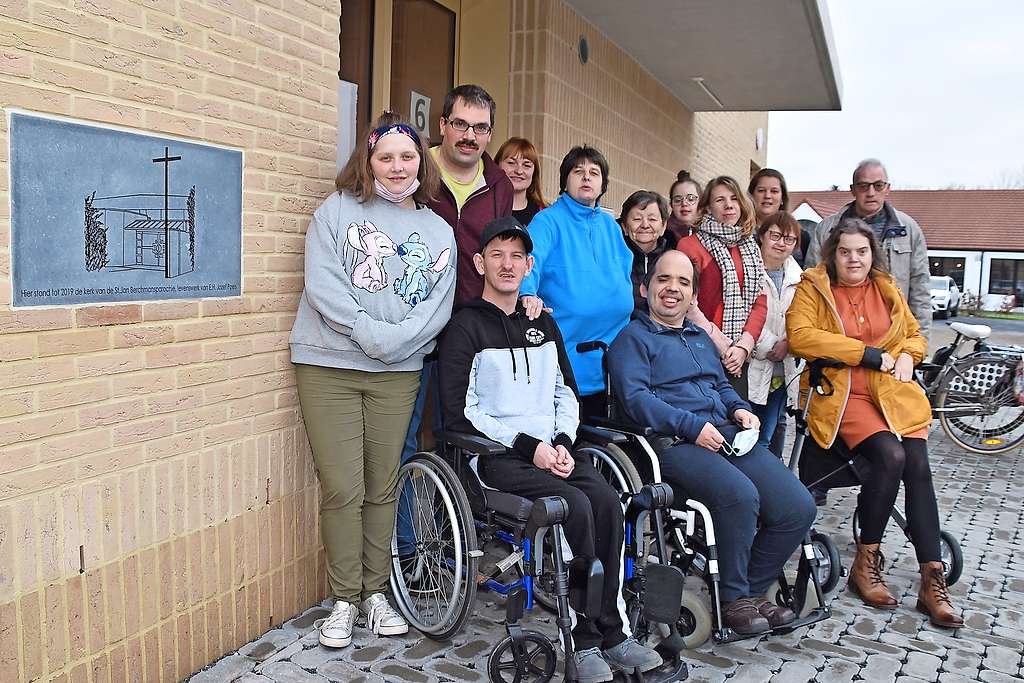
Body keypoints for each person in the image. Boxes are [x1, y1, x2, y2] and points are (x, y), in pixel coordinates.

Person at [439, 216, 664, 681]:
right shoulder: (464, 327)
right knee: (575, 506)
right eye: (497, 255)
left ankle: (611, 631)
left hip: (552, 450)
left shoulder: (542, 322)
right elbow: (460, 411)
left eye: (516, 256)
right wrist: (528, 447)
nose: (507, 264)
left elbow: (565, 392)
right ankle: (580, 642)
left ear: (529, 265)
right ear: (480, 263)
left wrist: (561, 441)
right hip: (496, 458)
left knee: (606, 500)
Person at [289, 113, 457, 648]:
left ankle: (375, 592)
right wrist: (372, 335)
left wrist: (394, 344)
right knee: (343, 487)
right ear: (369, 160)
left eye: (407, 156)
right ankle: (343, 599)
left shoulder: (438, 230)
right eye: (386, 156)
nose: (397, 165)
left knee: (383, 484)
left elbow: (437, 306)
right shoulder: (336, 212)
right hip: (329, 365)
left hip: (398, 373)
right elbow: (323, 285)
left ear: (421, 163)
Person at [608, 250, 816, 635]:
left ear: (692, 296)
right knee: (739, 495)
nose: (672, 289)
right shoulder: (631, 340)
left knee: (797, 506)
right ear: (645, 287)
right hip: (672, 444)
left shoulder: (699, 336)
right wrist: (691, 427)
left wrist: (739, 408)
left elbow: (720, 384)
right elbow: (636, 400)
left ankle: (750, 592)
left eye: (683, 283)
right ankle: (734, 599)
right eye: (663, 280)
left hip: (725, 434)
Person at [787, 218, 962, 628]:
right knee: (890, 455)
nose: (854, 259)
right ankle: (866, 561)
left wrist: (909, 355)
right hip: (845, 394)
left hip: (891, 393)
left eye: (861, 251)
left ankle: (931, 577)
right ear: (833, 254)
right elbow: (801, 337)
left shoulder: (885, 288)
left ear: (872, 254)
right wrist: (865, 353)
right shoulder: (814, 287)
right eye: (845, 251)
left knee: (917, 464)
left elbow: (915, 334)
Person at [520, 145, 634, 418]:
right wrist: (527, 294)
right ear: (565, 181)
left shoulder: (610, 227)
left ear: (603, 184)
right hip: (569, 352)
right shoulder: (547, 221)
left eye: (594, 173)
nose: (586, 178)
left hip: (613, 354)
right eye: (578, 171)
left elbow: (626, 269)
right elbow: (529, 260)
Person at [805, 158, 931, 335]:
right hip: (838, 333)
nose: (871, 192)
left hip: (893, 334)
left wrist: (920, 342)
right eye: (863, 186)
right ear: (853, 189)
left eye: (878, 185)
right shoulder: (826, 230)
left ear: (887, 188)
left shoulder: (909, 230)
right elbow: (811, 285)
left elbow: (920, 290)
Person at [676, 176, 767, 399]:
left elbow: (760, 302)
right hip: (698, 350)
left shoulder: (751, 247)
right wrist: (722, 345)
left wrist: (744, 346)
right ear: (707, 207)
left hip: (738, 356)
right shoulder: (690, 246)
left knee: (738, 424)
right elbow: (686, 303)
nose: (729, 205)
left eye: (734, 198)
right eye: (720, 200)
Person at [747, 212, 803, 458]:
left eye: (789, 239)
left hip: (783, 373)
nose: (781, 243)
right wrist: (771, 345)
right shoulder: (749, 271)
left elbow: (805, 320)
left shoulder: (801, 278)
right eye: (776, 236)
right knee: (748, 433)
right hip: (752, 367)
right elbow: (743, 314)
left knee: (767, 437)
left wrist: (790, 344)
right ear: (762, 236)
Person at [618, 190, 671, 316]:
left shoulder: (671, 261)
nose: (645, 225)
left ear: (663, 226)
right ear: (624, 226)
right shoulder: (613, 260)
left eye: (652, 219)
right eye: (637, 219)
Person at [495, 136, 547, 226]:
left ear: (534, 172)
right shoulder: (483, 207)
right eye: (511, 163)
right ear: (496, 166)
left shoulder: (544, 214)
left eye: (526, 165)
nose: (519, 171)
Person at [666, 170, 700, 243]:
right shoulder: (662, 235)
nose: (684, 203)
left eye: (690, 199)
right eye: (678, 200)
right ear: (671, 204)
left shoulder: (711, 233)